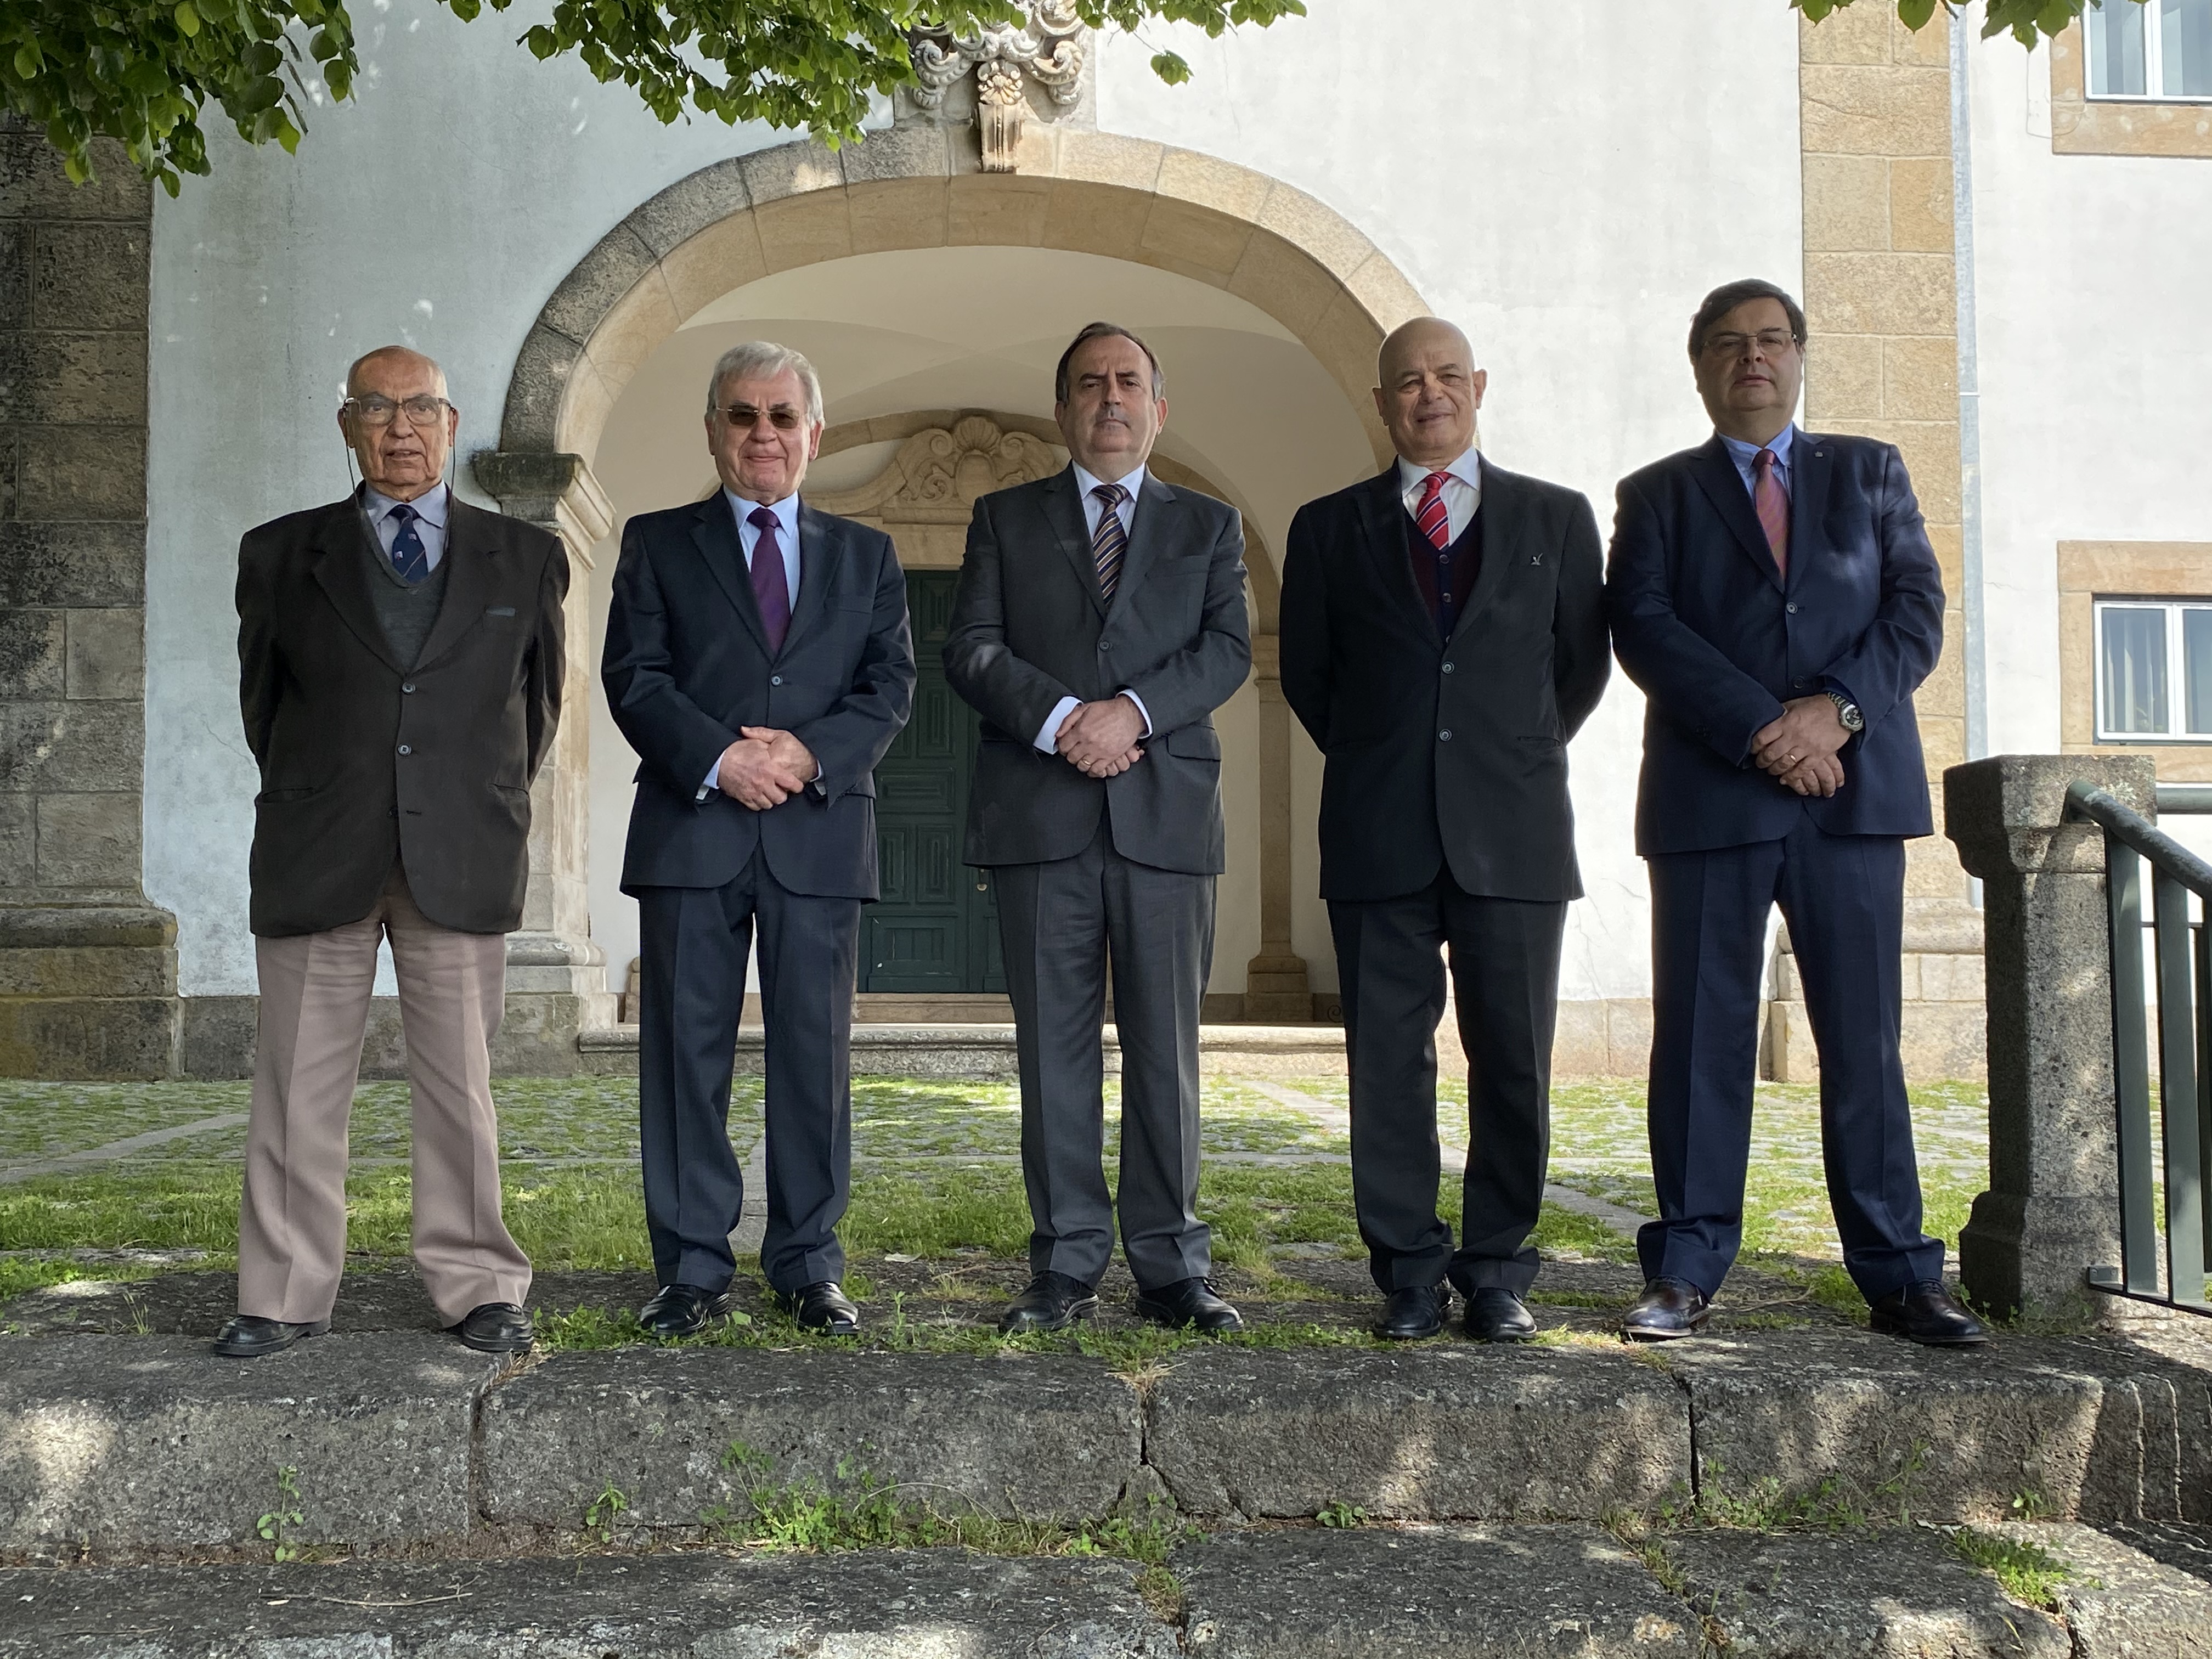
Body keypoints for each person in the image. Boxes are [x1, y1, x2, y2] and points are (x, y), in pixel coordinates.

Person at [1605, 278, 1986, 1346]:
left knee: (1863, 1040)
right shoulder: (1659, 494)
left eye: (1772, 340)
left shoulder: (1869, 475)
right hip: (1712, 799)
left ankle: (1902, 1274)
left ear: (1801, 355)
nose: (1753, 359)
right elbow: (1643, 624)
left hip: (1851, 800)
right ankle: (1684, 1269)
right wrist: (1765, 730)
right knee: (1700, 1040)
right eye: (1729, 344)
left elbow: (1917, 608)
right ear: (1700, 368)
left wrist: (1836, 715)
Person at [219, 346, 566, 1358]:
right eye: (377, 408)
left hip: (460, 848)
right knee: (295, 1080)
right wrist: (342, 784)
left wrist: (456, 793)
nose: (399, 428)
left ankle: (478, 1286)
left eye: (419, 408)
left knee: (460, 1084)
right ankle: (280, 1292)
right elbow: (265, 707)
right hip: (318, 839)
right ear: (348, 426)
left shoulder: (527, 557)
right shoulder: (279, 554)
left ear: (452, 425)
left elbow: (532, 713)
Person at [1279, 318, 1608, 1343]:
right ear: (1382, 402)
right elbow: (1309, 677)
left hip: (1513, 834)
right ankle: (1408, 1270)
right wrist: (1394, 755)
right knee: (1387, 1061)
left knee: (1514, 1056)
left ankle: (1500, 1267)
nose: (1430, 394)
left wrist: (1495, 754)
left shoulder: (1556, 517)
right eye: (1408, 381)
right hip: (1379, 831)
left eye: (1448, 376)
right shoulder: (1327, 528)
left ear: (1480, 387)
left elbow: (1580, 666)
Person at [944, 321, 1251, 1336]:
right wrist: (1061, 719)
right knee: (1054, 1050)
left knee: (1167, 1051)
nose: (1109, 398)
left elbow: (1226, 652)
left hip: (1164, 816)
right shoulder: (1003, 517)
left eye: (1128, 382)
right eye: (1089, 384)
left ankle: (1171, 1264)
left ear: (1159, 407)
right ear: (1064, 409)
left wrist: (1132, 711)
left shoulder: (1209, 525)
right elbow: (972, 649)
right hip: (1043, 818)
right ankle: (1066, 1260)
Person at [603, 342, 915, 1339]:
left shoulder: (867, 556)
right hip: (693, 830)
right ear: (714, 431)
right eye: (743, 417)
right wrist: (721, 760)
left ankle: (807, 1262)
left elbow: (890, 688)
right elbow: (636, 677)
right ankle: (692, 1265)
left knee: (813, 1057)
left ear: (813, 433)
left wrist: (806, 756)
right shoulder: (658, 542)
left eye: (783, 417)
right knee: (686, 1055)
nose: (764, 435)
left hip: (818, 834)